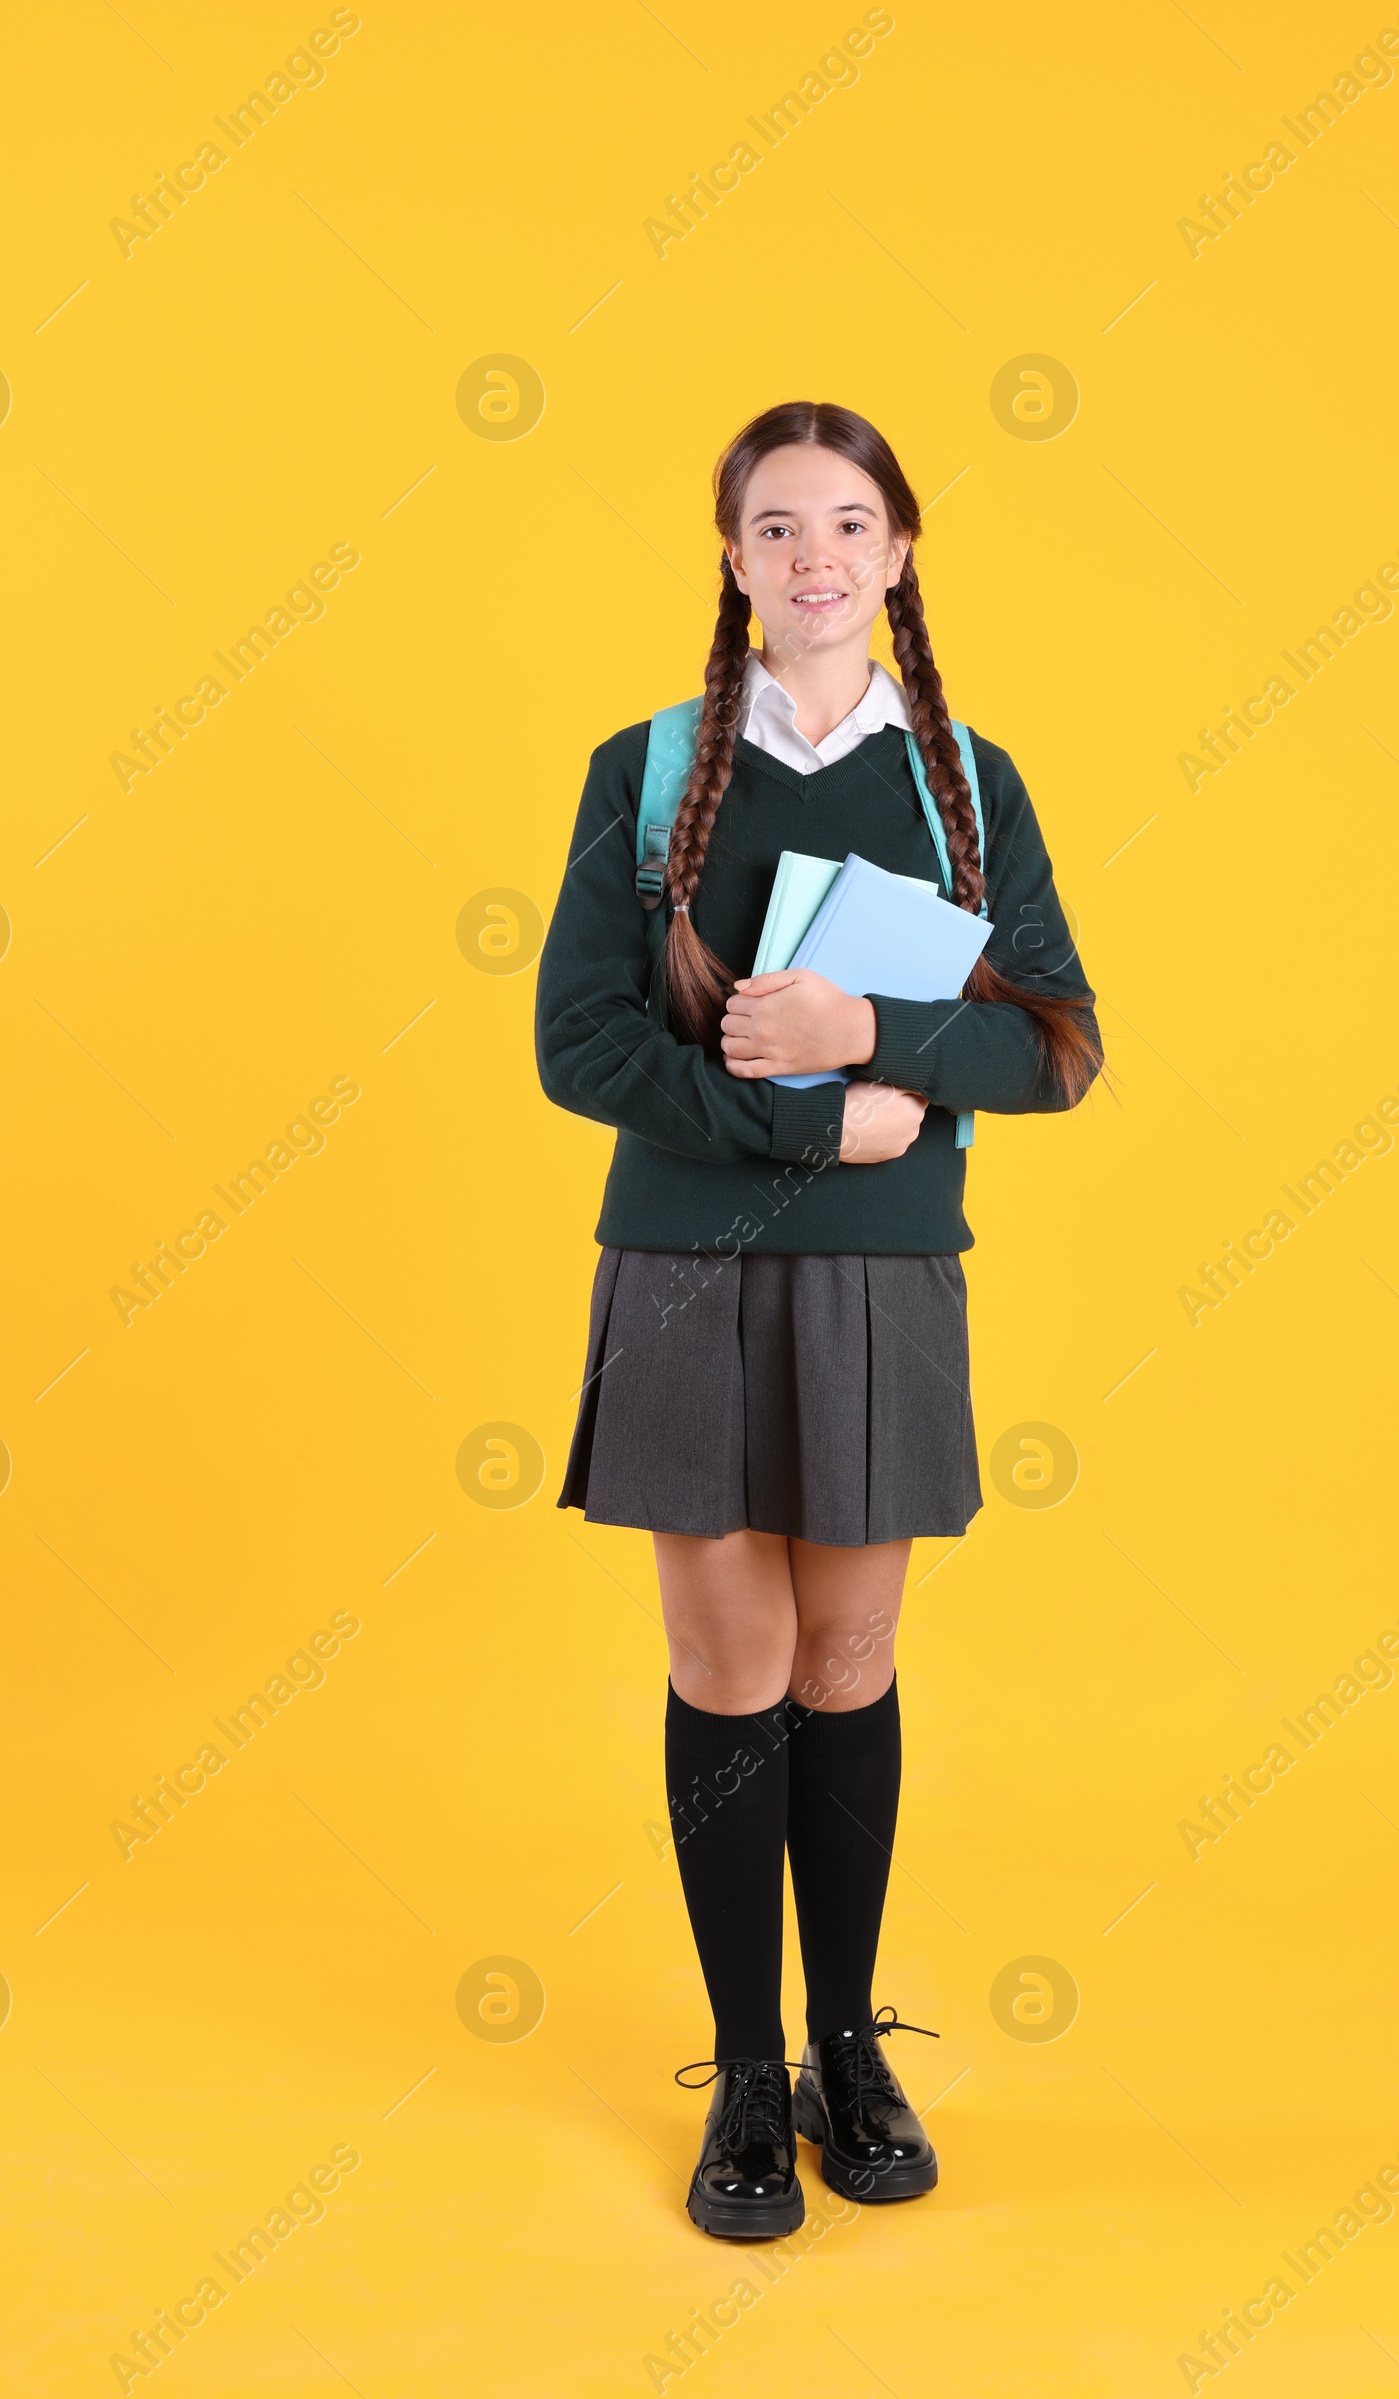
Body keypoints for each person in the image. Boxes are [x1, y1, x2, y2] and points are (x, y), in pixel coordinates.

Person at [536, 399, 1101, 2239]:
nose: (815, 560)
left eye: (848, 524)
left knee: (847, 1668)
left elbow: (1058, 1042)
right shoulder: (647, 768)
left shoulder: (966, 782)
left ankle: (850, 2041)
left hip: (880, 1279)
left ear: (903, 549)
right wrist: (791, 1113)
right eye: (775, 528)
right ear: (732, 557)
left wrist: (879, 1044)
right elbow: (581, 1045)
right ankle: (746, 2074)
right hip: (687, 1270)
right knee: (731, 1671)